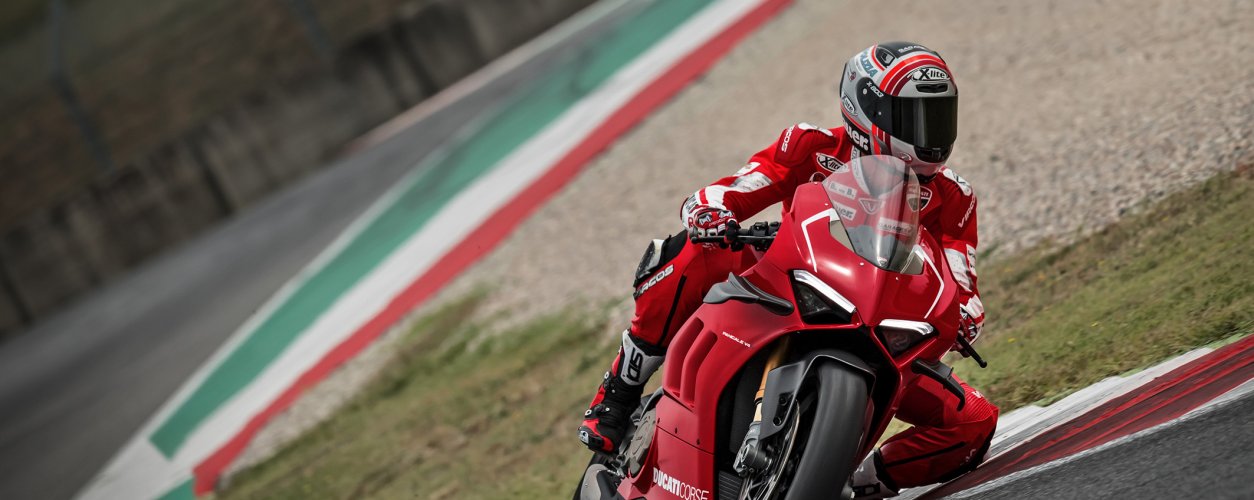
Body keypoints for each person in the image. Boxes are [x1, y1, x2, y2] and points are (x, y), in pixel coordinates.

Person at [577, 42, 998, 498]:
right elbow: (742, 184)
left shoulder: (955, 197)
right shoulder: (811, 146)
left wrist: (966, 315)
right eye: (915, 117)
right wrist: (711, 210)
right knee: (695, 251)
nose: (931, 133)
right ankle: (620, 389)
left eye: (939, 116)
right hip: (785, 287)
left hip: (879, 326)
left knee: (974, 422)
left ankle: (859, 480)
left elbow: (961, 278)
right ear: (869, 112)